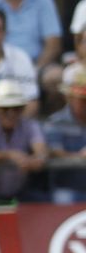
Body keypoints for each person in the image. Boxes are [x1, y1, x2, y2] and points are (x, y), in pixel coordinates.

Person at [0, 76, 47, 201]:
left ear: (22, 109)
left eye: (16, 108)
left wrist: (37, 160)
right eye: (5, 109)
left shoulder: (29, 125)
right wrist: (10, 155)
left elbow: (41, 148)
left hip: (20, 196)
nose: (11, 113)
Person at [45, 65, 86, 203]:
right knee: (63, 198)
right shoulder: (56, 122)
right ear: (70, 98)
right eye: (82, 99)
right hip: (67, 186)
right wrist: (79, 157)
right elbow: (55, 152)